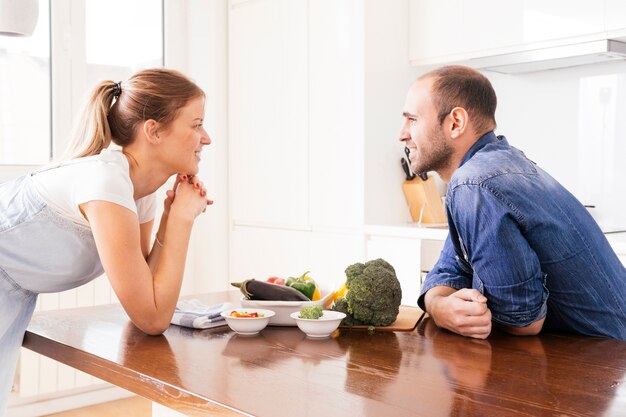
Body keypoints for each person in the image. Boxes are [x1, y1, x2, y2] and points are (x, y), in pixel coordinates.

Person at [0, 68, 212, 413]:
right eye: (196, 124)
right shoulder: (105, 182)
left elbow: (148, 291)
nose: (206, 138)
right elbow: (153, 316)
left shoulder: (137, 190)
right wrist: (183, 221)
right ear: (153, 131)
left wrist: (172, 219)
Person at [400, 65, 626, 340]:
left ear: (456, 123)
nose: (403, 133)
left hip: (606, 363)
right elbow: (451, 269)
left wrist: (449, 304)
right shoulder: (488, 170)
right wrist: (440, 306)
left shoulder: (474, 183)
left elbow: (523, 322)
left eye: (412, 119)